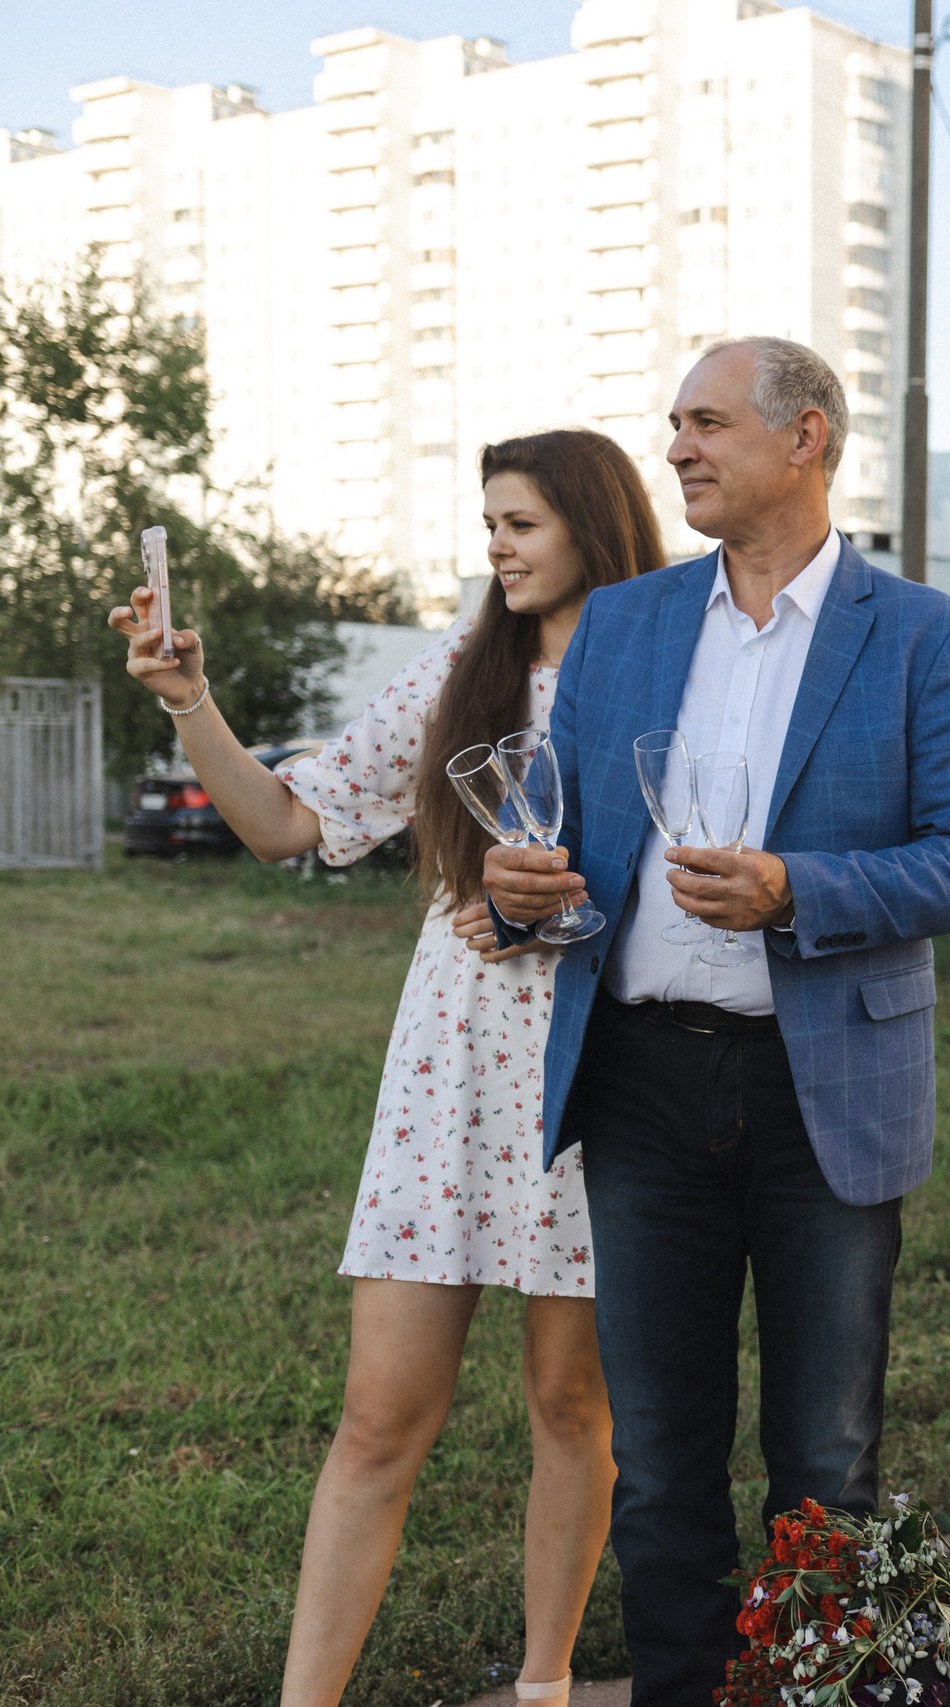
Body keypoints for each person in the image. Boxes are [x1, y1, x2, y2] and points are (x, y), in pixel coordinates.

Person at [480, 336, 950, 1706]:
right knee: (659, 1463)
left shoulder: (928, 638)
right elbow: (568, 840)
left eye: (708, 423)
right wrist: (524, 882)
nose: (679, 450)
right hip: (643, 1083)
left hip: (821, 1089)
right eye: (674, 426)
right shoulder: (627, 622)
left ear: (810, 438)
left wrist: (796, 888)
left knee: (826, 1464)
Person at [111, 428, 664, 1706]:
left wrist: (546, 909)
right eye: (490, 525)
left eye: (519, 522)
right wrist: (188, 699)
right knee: (377, 1419)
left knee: (570, 1402)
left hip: (598, 1068)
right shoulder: (460, 674)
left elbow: (697, 871)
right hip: (448, 1080)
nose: (497, 547)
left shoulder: (663, 679)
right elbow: (284, 824)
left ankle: (544, 1685)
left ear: (590, 522)